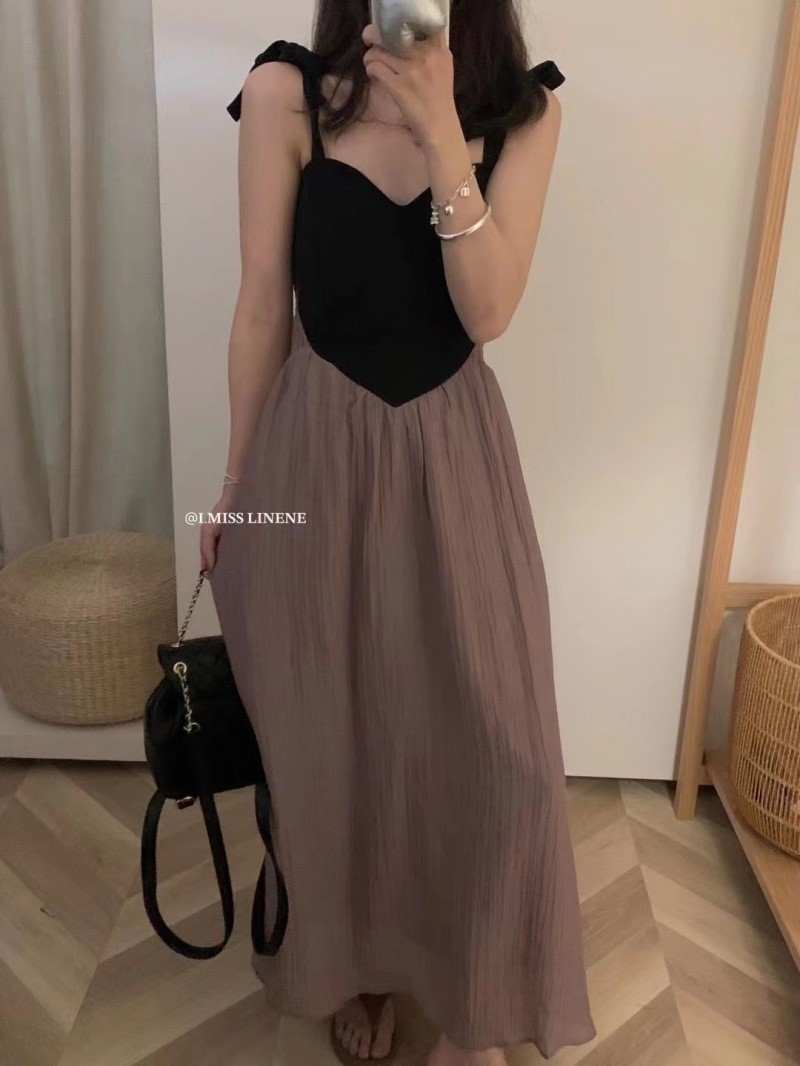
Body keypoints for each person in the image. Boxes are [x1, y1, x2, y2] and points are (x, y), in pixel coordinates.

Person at [203, 1, 596, 1063]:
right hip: (312, 458)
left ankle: (474, 995)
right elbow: (260, 307)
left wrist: (439, 130)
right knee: (336, 746)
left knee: (500, 754)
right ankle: (356, 968)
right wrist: (235, 489)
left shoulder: (523, 113)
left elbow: (487, 313)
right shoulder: (289, 93)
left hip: (454, 462)